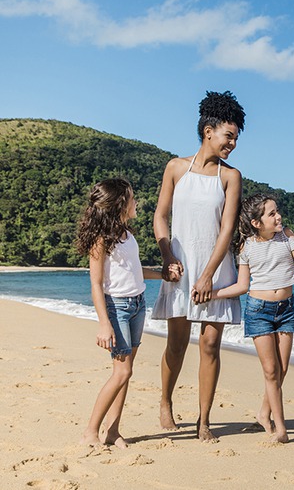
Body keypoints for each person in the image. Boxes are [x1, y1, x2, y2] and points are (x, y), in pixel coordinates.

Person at [151, 90, 245, 442]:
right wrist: (168, 257)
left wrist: (207, 274)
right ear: (209, 130)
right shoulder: (176, 168)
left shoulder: (230, 176)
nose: (232, 143)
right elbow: (160, 217)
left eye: (235, 137)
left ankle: (203, 420)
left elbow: (228, 228)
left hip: (216, 271)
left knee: (209, 345)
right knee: (176, 343)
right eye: (228, 135)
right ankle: (165, 401)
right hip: (180, 266)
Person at [212, 193, 294, 443]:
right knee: (271, 371)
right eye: (271, 213)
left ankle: (263, 413)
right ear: (257, 222)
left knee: (282, 369)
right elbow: (242, 285)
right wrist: (212, 295)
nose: (278, 216)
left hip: (286, 309)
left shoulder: (287, 236)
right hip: (259, 311)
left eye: (277, 211)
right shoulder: (246, 246)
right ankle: (281, 428)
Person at [76, 178, 167, 448]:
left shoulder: (127, 235)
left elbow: (136, 273)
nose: (135, 201)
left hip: (138, 304)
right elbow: (95, 284)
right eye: (131, 197)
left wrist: (163, 275)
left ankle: (113, 431)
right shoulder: (100, 239)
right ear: (119, 203)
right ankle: (90, 432)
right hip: (117, 308)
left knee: (125, 372)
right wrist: (104, 324)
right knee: (122, 373)